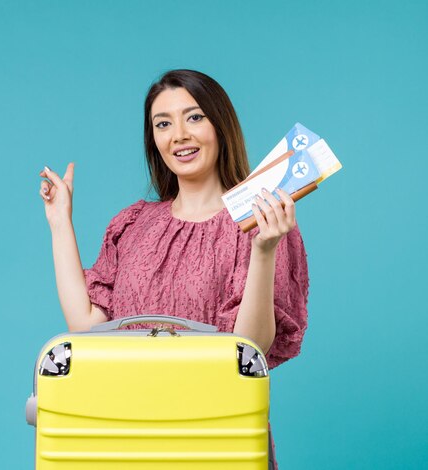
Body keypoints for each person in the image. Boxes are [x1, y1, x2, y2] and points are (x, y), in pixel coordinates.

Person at [38, 69, 309, 470]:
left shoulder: (260, 221)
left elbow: (249, 350)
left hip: (216, 440)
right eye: (163, 124)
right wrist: (60, 221)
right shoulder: (132, 224)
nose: (178, 134)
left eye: (194, 117)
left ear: (221, 125)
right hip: (126, 437)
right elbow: (86, 328)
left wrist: (264, 250)